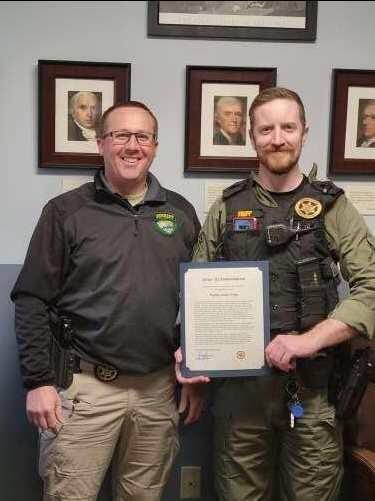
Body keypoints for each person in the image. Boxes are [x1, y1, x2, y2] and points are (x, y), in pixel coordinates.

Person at [176, 87, 375, 500]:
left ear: (305, 132)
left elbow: (371, 287)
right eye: (266, 129)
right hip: (239, 398)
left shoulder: (332, 207)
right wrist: (191, 356)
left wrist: (306, 341)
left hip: (313, 393)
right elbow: (194, 292)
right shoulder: (227, 208)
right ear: (253, 136)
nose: (278, 138)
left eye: (288, 127)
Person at [11, 101, 204, 500]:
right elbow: (31, 298)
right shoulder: (67, 212)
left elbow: (201, 300)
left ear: (154, 145)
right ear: (101, 143)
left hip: (157, 391)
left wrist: (197, 370)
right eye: (120, 135)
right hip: (85, 390)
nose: (132, 145)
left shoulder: (181, 213)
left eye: (142, 136)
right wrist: (38, 381)